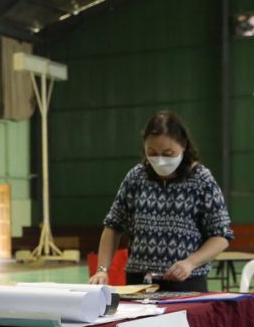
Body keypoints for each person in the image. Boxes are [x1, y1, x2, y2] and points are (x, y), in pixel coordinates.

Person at [89, 111, 233, 291]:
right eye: (152, 152)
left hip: (186, 284)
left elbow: (221, 236)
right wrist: (102, 270)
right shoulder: (136, 177)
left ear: (183, 146)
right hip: (139, 283)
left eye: (168, 153)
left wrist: (190, 263)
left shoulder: (201, 180)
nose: (160, 160)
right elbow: (113, 226)